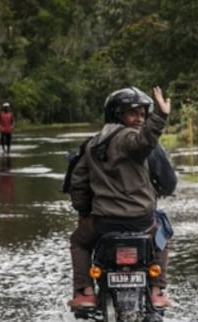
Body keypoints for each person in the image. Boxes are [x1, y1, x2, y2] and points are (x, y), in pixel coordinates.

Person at [67, 86, 171, 309]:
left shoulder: (92, 144)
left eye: (143, 114)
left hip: (104, 223)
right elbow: (144, 142)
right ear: (118, 115)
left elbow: (78, 183)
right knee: (162, 234)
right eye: (133, 113)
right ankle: (156, 289)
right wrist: (160, 116)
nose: (139, 119)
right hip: (141, 220)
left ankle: (85, 291)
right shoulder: (129, 138)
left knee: (79, 241)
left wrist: (84, 212)